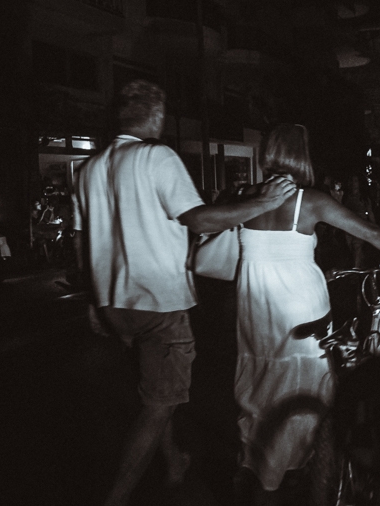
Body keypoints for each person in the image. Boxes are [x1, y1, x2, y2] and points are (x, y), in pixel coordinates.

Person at [71, 79, 296, 506]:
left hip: (114, 303)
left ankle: (173, 459)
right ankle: (114, 498)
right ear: (157, 115)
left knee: (156, 391)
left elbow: (81, 242)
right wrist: (262, 203)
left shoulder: (89, 168)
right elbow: (199, 220)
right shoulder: (156, 156)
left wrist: (92, 303)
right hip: (159, 302)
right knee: (159, 404)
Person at [232, 123, 380, 503]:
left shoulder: (247, 196)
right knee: (309, 385)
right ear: (303, 156)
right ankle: (306, 462)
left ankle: (263, 464)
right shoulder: (309, 201)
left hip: (255, 310)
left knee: (262, 389)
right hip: (300, 308)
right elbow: (366, 230)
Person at [342, 175, 376, 268]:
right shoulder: (346, 196)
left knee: (357, 247)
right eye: (352, 181)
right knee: (352, 248)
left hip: (360, 225)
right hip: (348, 226)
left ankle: (356, 270)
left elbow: (370, 212)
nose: (353, 183)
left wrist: (374, 226)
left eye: (355, 181)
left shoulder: (363, 198)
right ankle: (359, 266)